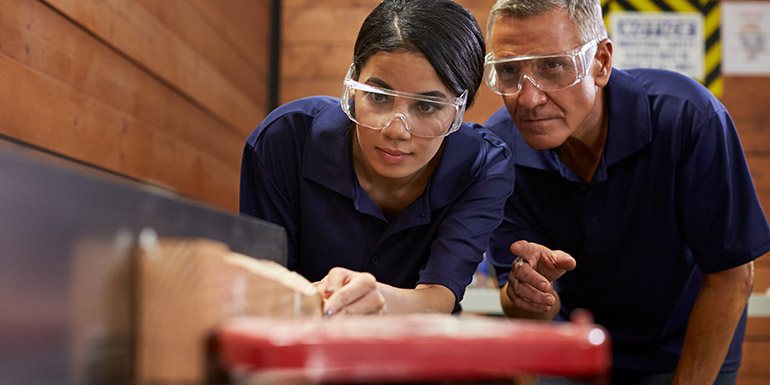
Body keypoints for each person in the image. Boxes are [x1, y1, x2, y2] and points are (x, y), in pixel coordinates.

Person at [482, 0, 770, 384]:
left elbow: (732, 276)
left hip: (687, 342)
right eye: (510, 71)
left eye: (553, 65)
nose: (529, 98)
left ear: (600, 62)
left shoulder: (688, 119)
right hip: (577, 343)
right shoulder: (499, 150)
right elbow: (525, 308)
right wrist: (531, 294)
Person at [240, 0, 513, 317]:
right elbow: (259, 288)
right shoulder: (283, 140)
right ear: (353, 84)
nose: (396, 130)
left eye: (426, 107)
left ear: (460, 109)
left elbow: (439, 296)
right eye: (379, 97)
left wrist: (375, 300)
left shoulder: (483, 166)